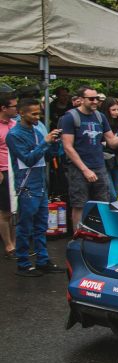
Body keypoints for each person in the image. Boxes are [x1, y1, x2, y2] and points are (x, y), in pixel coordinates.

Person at [60, 86, 118, 227]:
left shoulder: (100, 116)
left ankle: (100, 233)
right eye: (91, 99)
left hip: (99, 167)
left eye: (97, 98)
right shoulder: (70, 117)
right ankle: (78, 235)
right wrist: (85, 170)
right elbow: (68, 147)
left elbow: (112, 142)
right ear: (81, 100)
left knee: (102, 203)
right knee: (79, 205)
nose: (95, 101)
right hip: (78, 169)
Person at [5, 99, 66, 276]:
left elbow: (48, 156)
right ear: (21, 113)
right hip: (26, 186)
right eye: (33, 114)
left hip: (40, 184)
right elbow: (28, 159)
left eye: (38, 113)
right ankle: (23, 264)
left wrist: (54, 142)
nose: (37, 117)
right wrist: (45, 142)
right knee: (25, 227)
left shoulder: (37, 130)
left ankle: (42, 260)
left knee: (41, 225)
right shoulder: (14, 135)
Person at [0, 92, 18, 258]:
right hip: (3, 172)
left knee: (15, 210)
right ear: (3, 108)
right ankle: (8, 245)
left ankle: (15, 243)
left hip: (16, 171)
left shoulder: (14, 124)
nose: (17, 109)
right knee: (5, 211)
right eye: (14, 106)